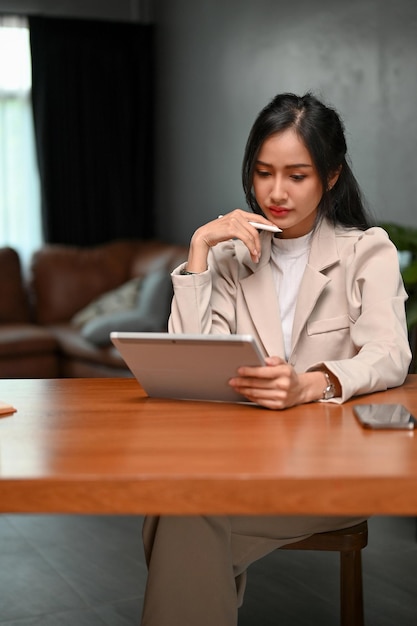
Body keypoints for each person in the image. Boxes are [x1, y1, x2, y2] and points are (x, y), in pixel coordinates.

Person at [140, 92, 411, 625]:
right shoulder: (226, 257)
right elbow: (189, 361)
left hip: (332, 470)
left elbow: (390, 354)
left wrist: (312, 384)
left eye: (297, 175)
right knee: (184, 511)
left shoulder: (366, 250)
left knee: (177, 515)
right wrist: (199, 249)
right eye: (263, 172)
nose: (276, 192)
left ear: (331, 176)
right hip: (235, 463)